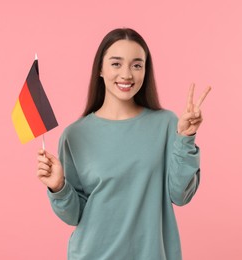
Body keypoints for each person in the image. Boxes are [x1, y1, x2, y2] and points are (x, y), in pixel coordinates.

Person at [36, 28, 211, 260]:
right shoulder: (74, 135)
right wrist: (58, 187)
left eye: (137, 65)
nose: (127, 74)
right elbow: (73, 215)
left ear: (145, 71)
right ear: (100, 68)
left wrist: (185, 138)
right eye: (116, 64)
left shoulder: (168, 124)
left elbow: (180, 195)